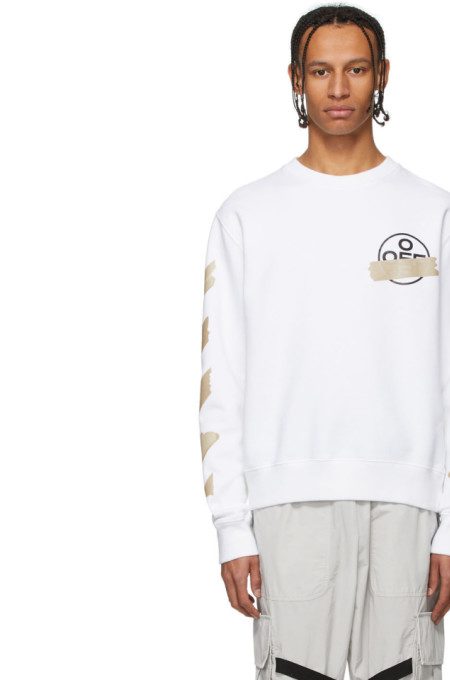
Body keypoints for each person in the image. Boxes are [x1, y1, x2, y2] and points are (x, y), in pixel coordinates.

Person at [198, 5, 450, 679]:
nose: (338, 89)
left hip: (409, 508)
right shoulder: (246, 214)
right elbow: (222, 377)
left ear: (382, 75)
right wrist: (231, 525)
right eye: (320, 71)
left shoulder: (433, 211)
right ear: (296, 79)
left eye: (356, 69)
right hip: (287, 507)